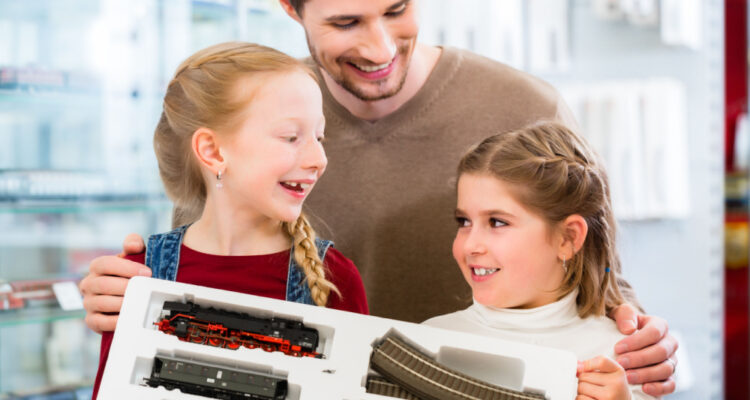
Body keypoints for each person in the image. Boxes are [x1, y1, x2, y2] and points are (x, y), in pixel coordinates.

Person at [79, 0, 677, 394]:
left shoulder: (527, 107)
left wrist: (643, 347)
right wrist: (119, 293)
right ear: (292, 9)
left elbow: (601, 284)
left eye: (397, 9)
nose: (380, 45)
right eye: (345, 23)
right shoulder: (259, 107)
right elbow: (201, 256)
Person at [89, 42, 368, 399]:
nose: (319, 158)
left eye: (319, 136)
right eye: (291, 137)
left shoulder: (335, 280)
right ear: (213, 151)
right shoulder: (137, 276)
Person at [424, 122, 655, 399]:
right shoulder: (426, 342)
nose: (470, 245)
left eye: (497, 222)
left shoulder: (626, 358)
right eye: (464, 221)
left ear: (567, 239)